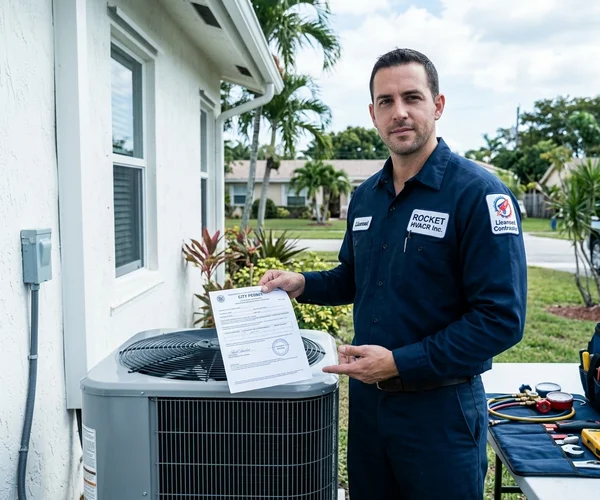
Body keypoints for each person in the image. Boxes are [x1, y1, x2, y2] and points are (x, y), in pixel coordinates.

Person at [258, 48, 527, 500]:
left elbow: (501, 319)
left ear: (437, 105)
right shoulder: (367, 196)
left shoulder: (478, 194)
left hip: (440, 411)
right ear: (372, 113)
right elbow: (354, 277)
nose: (399, 112)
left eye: (412, 97)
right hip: (368, 408)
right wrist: (302, 284)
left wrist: (401, 362)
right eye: (386, 101)